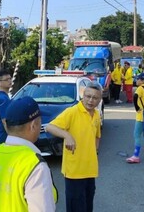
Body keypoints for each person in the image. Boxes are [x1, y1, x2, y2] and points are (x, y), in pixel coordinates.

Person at [45, 82, 102, 212]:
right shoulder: (72, 112)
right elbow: (49, 127)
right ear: (83, 95)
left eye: (95, 98)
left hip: (90, 170)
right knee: (76, 208)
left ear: (100, 99)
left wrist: (94, 153)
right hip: (74, 172)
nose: (90, 100)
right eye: (88, 96)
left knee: (87, 206)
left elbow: (97, 136)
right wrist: (67, 136)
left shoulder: (97, 114)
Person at [126, 73, 144, 163]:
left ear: (142, 80)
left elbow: (135, 96)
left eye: (138, 79)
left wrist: (137, 108)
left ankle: (136, 156)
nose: (136, 80)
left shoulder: (140, 88)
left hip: (141, 116)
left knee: (137, 135)